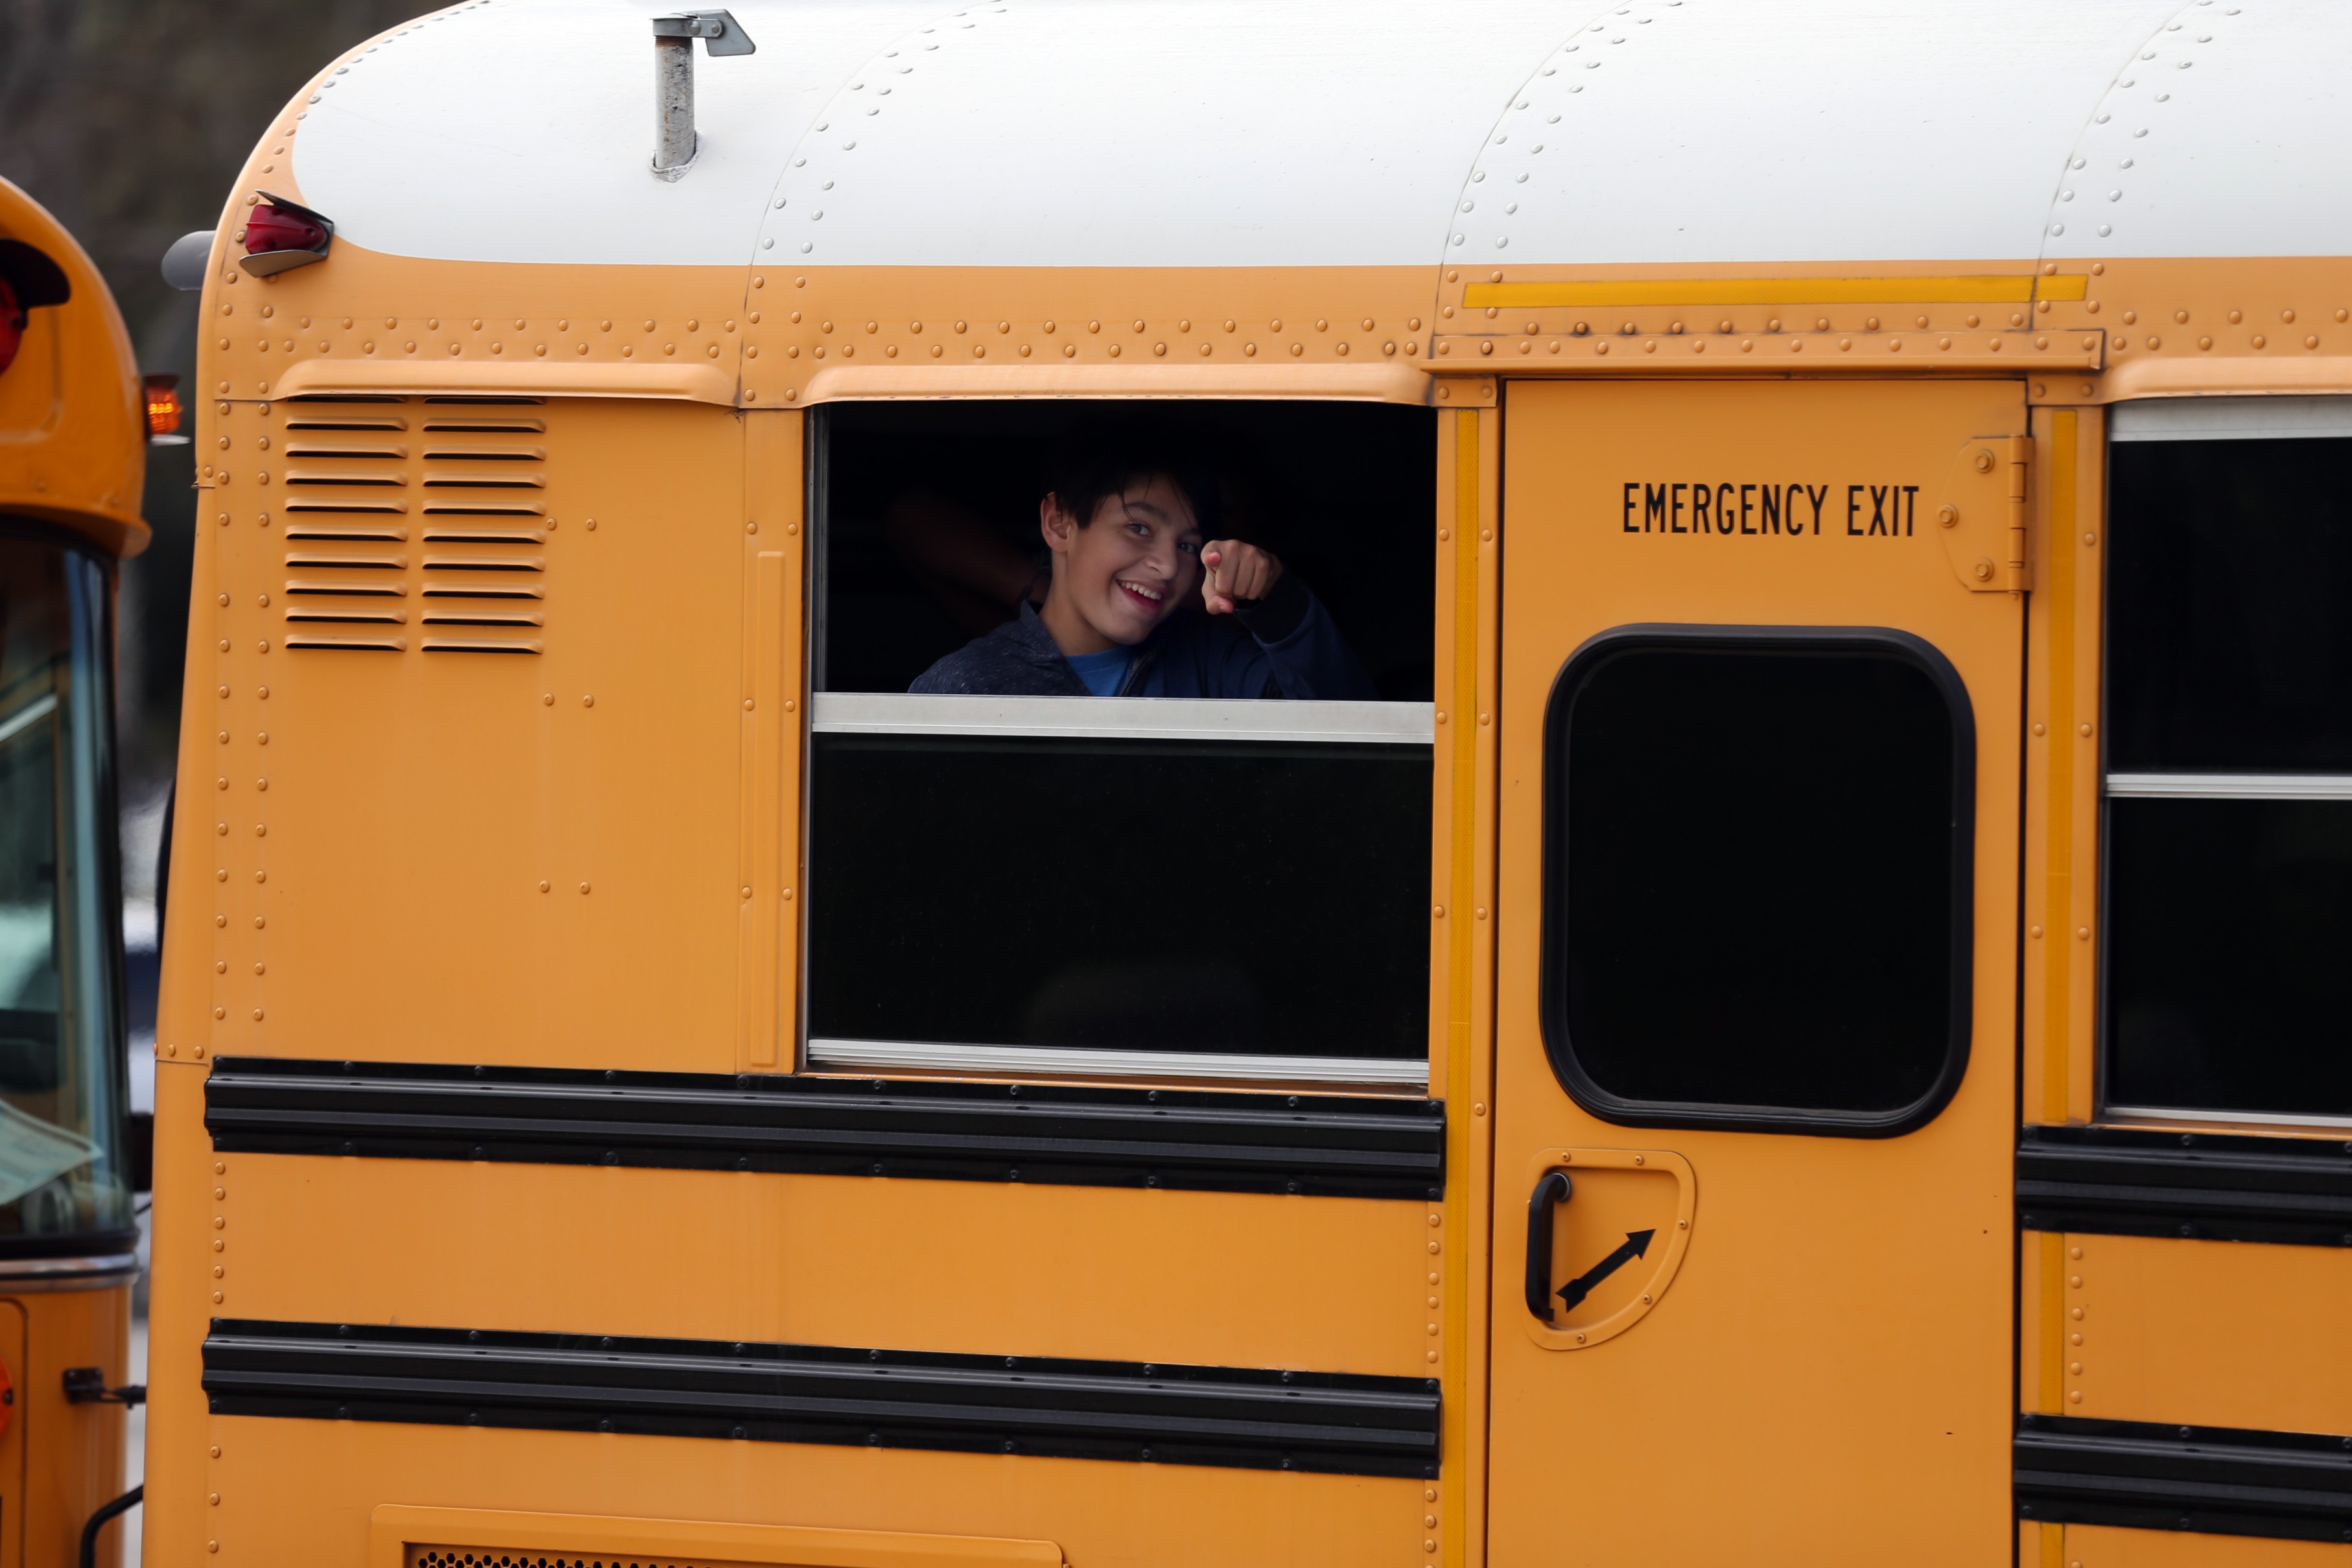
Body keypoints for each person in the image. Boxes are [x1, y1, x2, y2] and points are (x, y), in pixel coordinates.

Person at [907, 437, 1374, 699]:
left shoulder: (1211, 663)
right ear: (1059, 522)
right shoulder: (966, 687)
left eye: (1189, 545)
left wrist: (1280, 605)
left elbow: (1348, 732)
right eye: (1139, 527)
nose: (1169, 564)